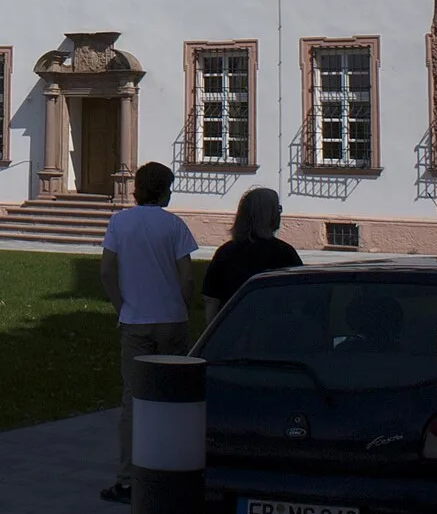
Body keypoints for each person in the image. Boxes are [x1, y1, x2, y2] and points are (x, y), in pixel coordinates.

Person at [97, 161, 198, 505]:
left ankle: (127, 477)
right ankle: (174, 466)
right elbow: (187, 277)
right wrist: (182, 306)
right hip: (172, 321)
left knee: (133, 398)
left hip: (135, 321)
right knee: (174, 398)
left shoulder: (120, 222)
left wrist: (121, 306)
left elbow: (107, 271)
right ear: (163, 190)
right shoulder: (174, 226)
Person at [200, 186, 303, 319]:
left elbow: (211, 300)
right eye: (277, 209)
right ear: (269, 215)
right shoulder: (284, 253)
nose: (279, 214)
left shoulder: (226, 252)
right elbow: (300, 299)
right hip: (274, 327)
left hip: (235, 328)